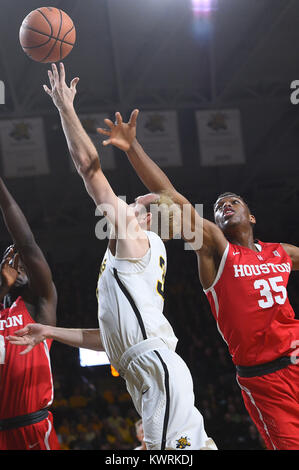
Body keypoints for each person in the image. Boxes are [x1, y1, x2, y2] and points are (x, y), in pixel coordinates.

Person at [9, 62, 216, 451]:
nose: (130, 200)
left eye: (138, 201)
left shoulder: (137, 236)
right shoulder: (137, 260)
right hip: (147, 369)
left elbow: (90, 171)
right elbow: (109, 340)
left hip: (155, 369)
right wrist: (48, 331)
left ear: (149, 216)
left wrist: (65, 107)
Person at [96, 109, 299, 450]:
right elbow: (170, 194)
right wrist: (132, 148)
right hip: (264, 379)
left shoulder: (281, 252)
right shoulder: (215, 248)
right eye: (219, 206)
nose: (225, 206)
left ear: (251, 215)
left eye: (234, 201)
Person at [0, 178, 60, 450]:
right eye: (13, 260)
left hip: (34, 429)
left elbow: (26, 243)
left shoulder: (39, 310)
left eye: (24, 262)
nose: (20, 263)